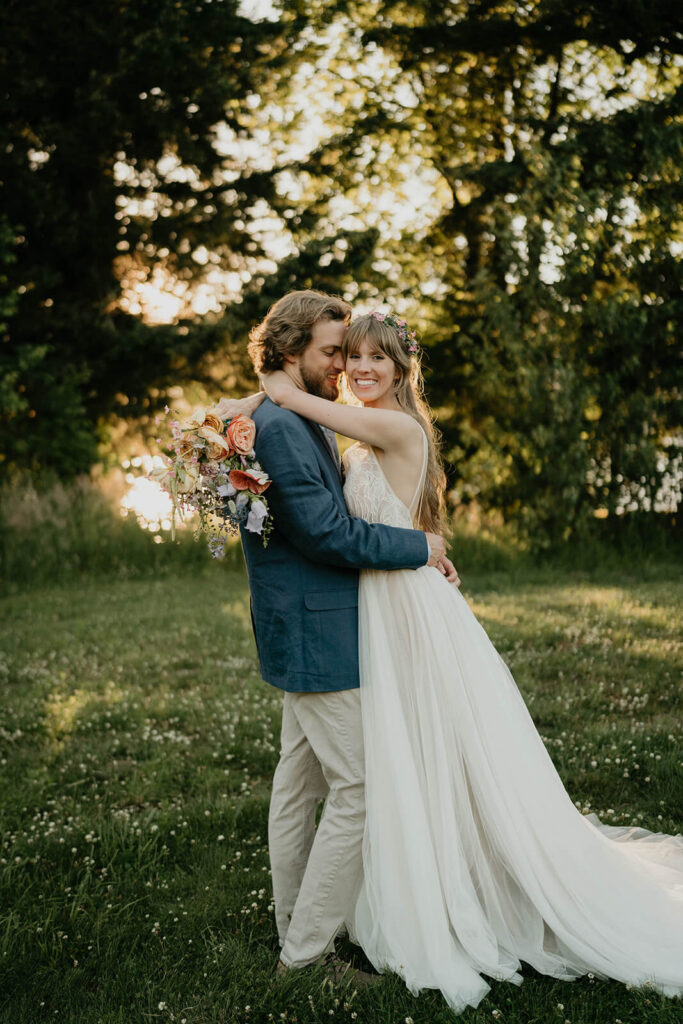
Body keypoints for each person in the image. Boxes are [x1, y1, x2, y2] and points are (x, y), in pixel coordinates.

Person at [259, 309, 683, 1013]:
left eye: (372, 360)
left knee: (435, 749)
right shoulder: (361, 426)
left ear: (400, 369)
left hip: (403, 609)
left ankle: (452, 886)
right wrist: (424, 544)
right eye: (349, 357)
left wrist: (270, 386)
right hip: (381, 605)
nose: (357, 370)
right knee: (404, 754)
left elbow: (295, 404)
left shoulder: (393, 424)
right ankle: (377, 892)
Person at [215, 290, 458, 985]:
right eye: (333, 351)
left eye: (358, 352)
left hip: (317, 621)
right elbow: (324, 533)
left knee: (300, 783)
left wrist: (262, 394)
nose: (344, 364)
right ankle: (305, 953)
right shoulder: (287, 424)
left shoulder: (290, 413)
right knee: (353, 785)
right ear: (291, 351)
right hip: (318, 626)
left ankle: (297, 928)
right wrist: (419, 544)